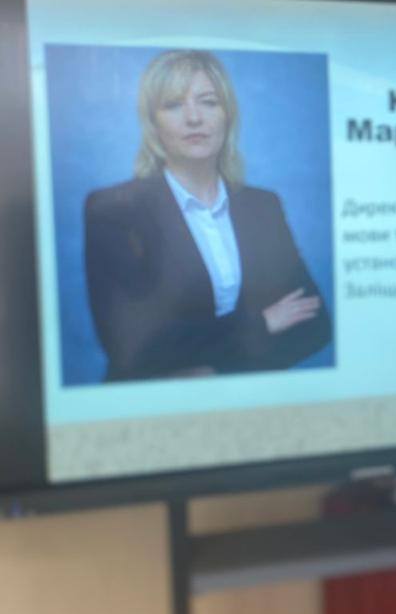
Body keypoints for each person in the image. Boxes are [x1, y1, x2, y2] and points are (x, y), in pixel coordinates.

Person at [84, 49, 331, 381]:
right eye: (174, 105)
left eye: (208, 102)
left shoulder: (263, 206)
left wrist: (210, 368)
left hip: (246, 404)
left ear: (227, 115)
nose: (194, 118)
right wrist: (262, 324)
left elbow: (314, 324)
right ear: (152, 123)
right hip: (151, 408)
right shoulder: (115, 210)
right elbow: (132, 347)